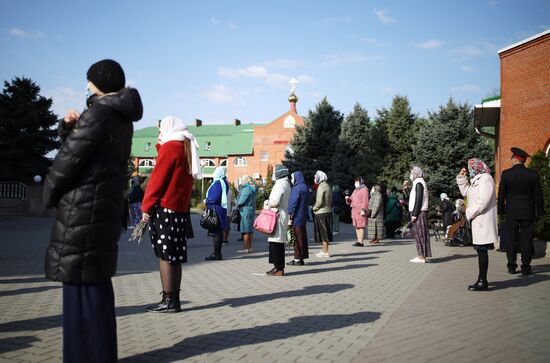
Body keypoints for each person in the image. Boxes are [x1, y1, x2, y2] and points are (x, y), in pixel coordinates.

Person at [43, 59, 143, 362]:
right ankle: (102, 353)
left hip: (82, 212)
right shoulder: (121, 118)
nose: (87, 86)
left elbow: (67, 163)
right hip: (103, 207)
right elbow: (86, 152)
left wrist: (48, 193)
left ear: (98, 82)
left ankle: (82, 356)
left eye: (89, 82)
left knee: (78, 291)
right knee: (97, 287)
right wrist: (68, 128)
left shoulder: (98, 113)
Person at [141, 116, 199, 313]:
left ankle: (168, 300)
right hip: (179, 210)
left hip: (165, 208)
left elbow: (157, 181)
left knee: (165, 256)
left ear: (168, 128)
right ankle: (174, 299)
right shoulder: (186, 147)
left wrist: (146, 207)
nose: (159, 135)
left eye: (160, 130)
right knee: (174, 256)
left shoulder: (171, 147)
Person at [498, 147, 545, 275]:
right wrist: (540, 213)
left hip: (512, 212)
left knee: (511, 239)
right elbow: (538, 196)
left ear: (515, 159)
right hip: (528, 212)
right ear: (523, 160)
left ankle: (512, 266)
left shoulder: (506, 174)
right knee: (526, 239)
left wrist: (500, 211)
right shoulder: (533, 175)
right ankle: (525, 267)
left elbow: (501, 195)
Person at [457, 159, 498, 291]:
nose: (469, 170)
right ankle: (482, 279)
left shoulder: (485, 179)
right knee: (480, 250)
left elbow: (483, 201)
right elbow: (467, 193)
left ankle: (482, 281)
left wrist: (470, 213)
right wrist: (462, 178)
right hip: (478, 220)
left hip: (482, 220)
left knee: (482, 250)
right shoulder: (477, 180)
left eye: (470, 168)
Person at [265, 165, 292, 276]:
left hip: (278, 214)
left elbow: (275, 201)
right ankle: (276, 266)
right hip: (282, 214)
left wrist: (268, 203)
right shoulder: (286, 183)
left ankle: (279, 268)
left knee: (276, 242)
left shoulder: (280, 183)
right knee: (277, 241)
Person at [204, 167, 229, 260]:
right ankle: (217, 253)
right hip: (220, 209)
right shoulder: (224, 181)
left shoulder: (218, 182)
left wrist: (206, 200)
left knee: (216, 232)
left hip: (216, 209)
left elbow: (215, 197)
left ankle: (216, 254)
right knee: (218, 231)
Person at [408, 166, 431, 263]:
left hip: (419, 212)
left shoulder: (418, 183)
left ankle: (421, 256)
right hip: (420, 212)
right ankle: (421, 255)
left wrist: (415, 214)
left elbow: (418, 199)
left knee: (420, 234)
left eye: (412, 173)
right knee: (419, 234)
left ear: (415, 174)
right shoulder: (419, 183)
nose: (410, 175)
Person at [287, 171, 310, 266]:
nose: (291, 180)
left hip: (296, 216)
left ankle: (297, 259)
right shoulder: (305, 187)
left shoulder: (297, 188)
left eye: (292, 178)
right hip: (303, 215)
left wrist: (290, 215)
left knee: (296, 238)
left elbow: (293, 203)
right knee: (302, 238)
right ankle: (301, 257)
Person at [313, 170, 333, 257]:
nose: (315, 178)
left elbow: (319, 201)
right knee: (326, 232)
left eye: (316, 176)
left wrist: (314, 208)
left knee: (323, 233)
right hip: (328, 211)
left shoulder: (321, 186)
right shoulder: (327, 185)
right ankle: (324, 250)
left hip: (321, 212)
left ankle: (325, 252)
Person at [346, 177, 369, 246]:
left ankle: (361, 242)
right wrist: (348, 199)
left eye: (357, 182)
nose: (356, 183)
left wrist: (363, 209)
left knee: (361, 226)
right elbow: (351, 198)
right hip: (354, 210)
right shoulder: (356, 190)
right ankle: (358, 240)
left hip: (360, 210)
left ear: (361, 182)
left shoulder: (364, 189)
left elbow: (365, 201)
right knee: (356, 225)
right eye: (355, 182)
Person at [237, 175, 257, 253]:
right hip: (251, 210)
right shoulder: (253, 189)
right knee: (250, 230)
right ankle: (250, 247)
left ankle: (246, 248)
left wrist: (236, 202)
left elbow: (241, 201)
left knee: (245, 230)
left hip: (245, 211)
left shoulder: (246, 189)